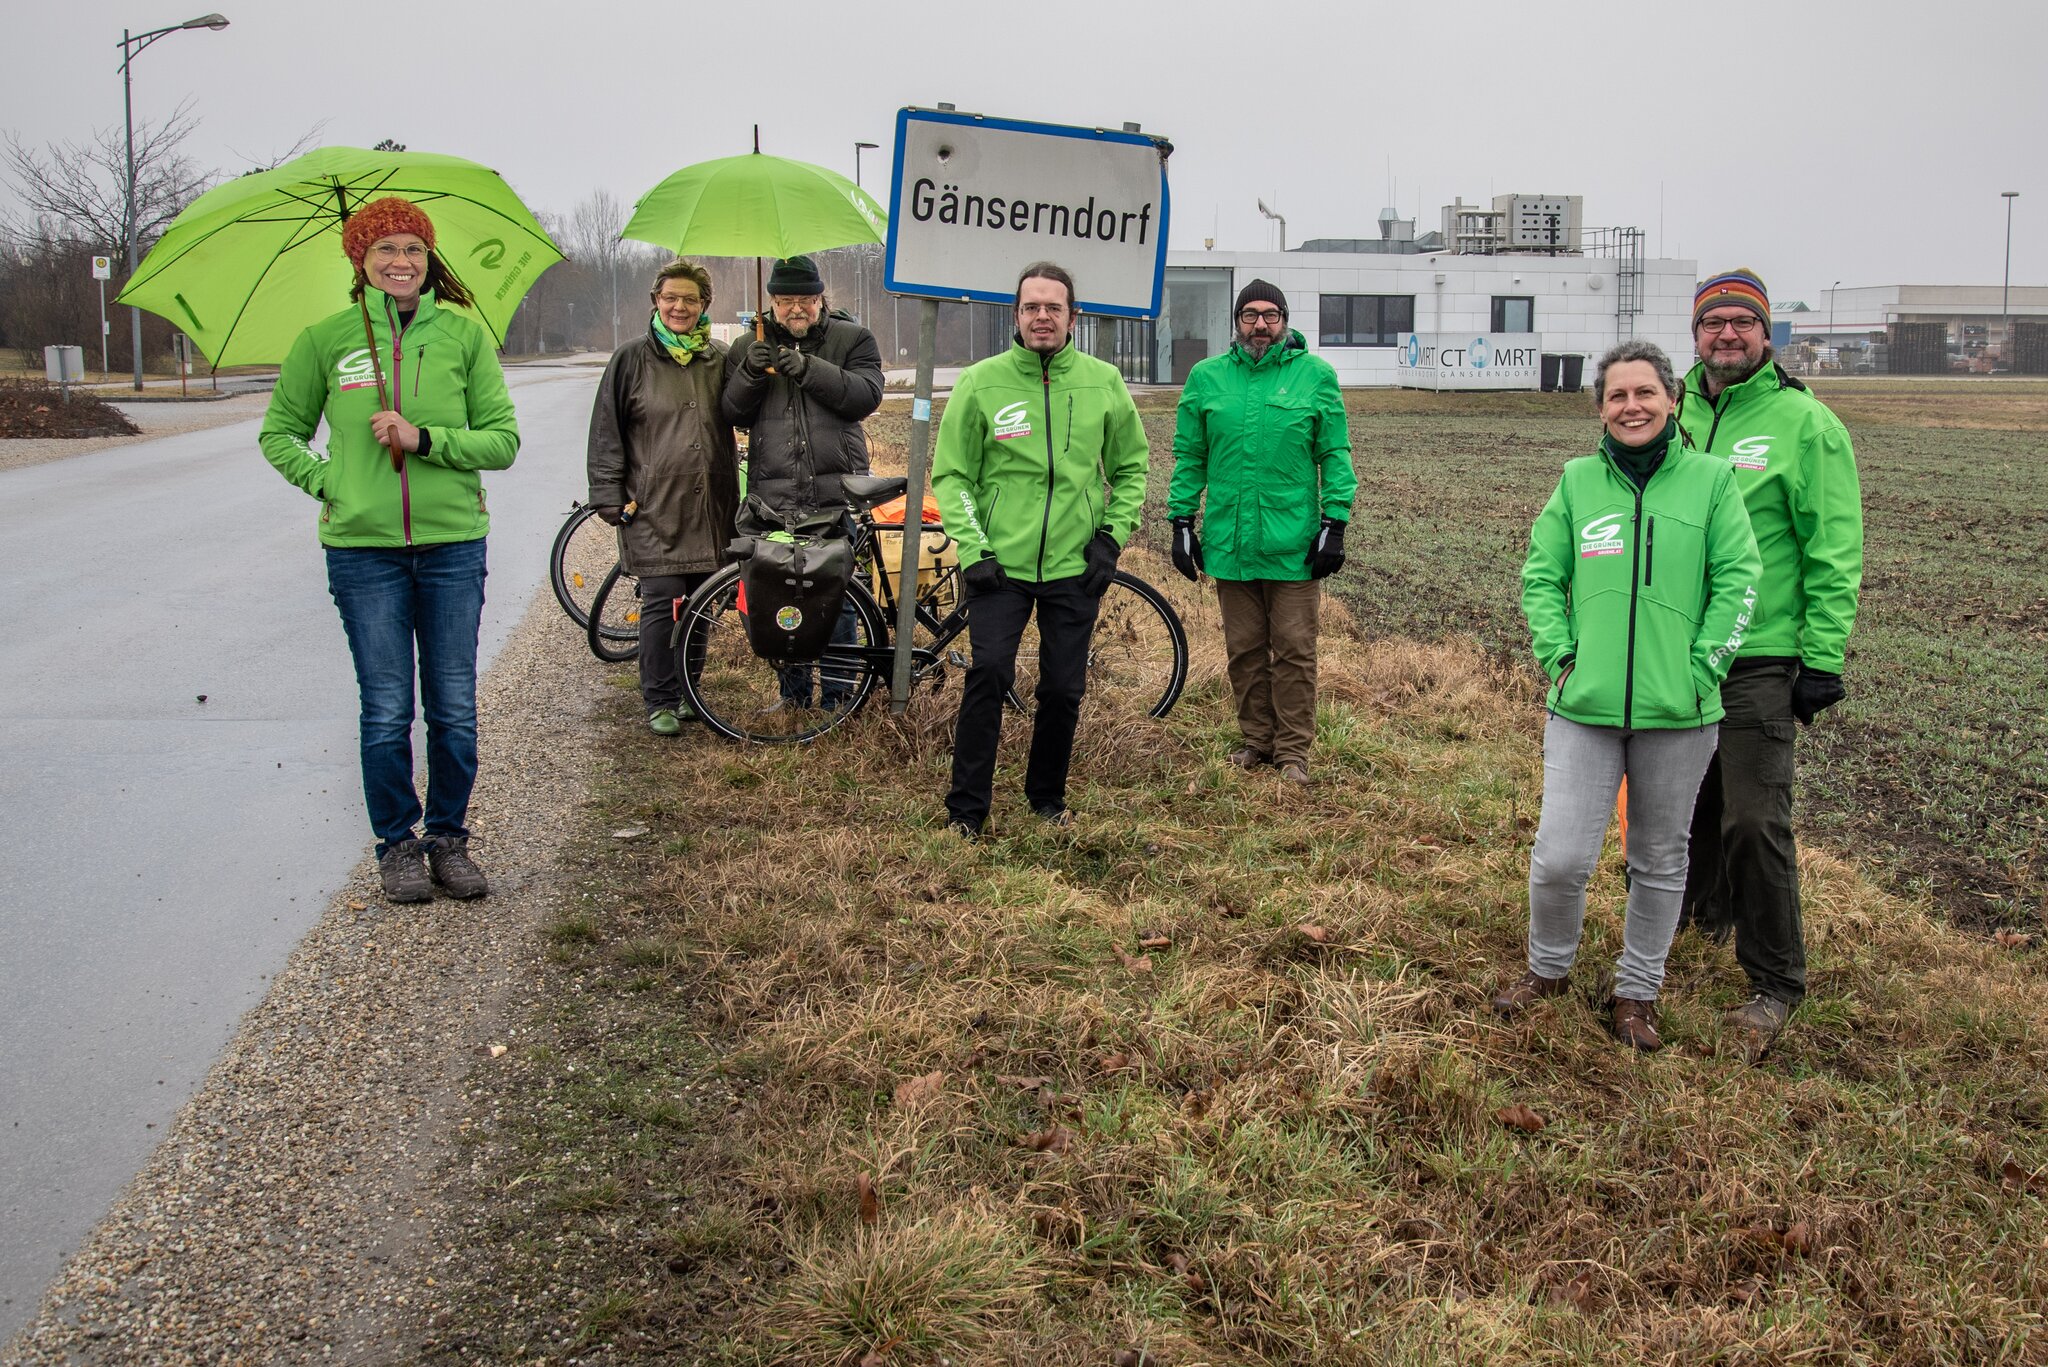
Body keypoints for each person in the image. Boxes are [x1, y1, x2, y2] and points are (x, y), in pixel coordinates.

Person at [1493, 340, 1760, 1052]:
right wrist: (1560, 657)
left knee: (1659, 859)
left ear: (1672, 400)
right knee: (1560, 856)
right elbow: (1540, 578)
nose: (1632, 405)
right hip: (1585, 706)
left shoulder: (1711, 481)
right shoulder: (1578, 482)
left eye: (1645, 392)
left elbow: (1739, 579)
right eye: (1617, 395)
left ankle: (1637, 993)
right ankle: (1547, 969)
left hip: (1682, 713)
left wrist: (1705, 667)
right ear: (1601, 408)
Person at [258, 196, 519, 903]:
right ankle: (397, 844)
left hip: (452, 548)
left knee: (454, 707)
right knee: (385, 708)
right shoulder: (326, 340)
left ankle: (448, 839)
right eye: (385, 251)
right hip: (363, 551)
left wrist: (424, 439)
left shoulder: (463, 340)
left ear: (429, 260)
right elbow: (278, 432)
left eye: (412, 249)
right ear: (360, 261)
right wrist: (331, 482)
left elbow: (502, 441)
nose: (401, 262)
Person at [1676, 269, 1864, 1060]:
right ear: (1695, 334)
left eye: (1741, 324)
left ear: (1766, 335)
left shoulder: (1804, 425)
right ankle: (1692, 923)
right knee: (1681, 811)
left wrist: (1820, 657)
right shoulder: (1665, 406)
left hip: (1757, 656)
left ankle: (1777, 979)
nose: (1726, 335)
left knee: (1753, 816)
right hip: (1675, 656)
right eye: (1713, 322)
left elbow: (1832, 549)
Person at [932, 262, 1149, 837]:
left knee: (1061, 687)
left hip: (1075, 563)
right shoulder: (981, 382)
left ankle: (1046, 797)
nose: (1042, 317)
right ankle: (966, 811)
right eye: (1032, 307)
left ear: (1072, 316)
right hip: (998, 563)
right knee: (990, 674)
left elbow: (1130, 468)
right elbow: (952, 475)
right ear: (1017, 315)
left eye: (1054, 307)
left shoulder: (1104, 382)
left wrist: (1112, 538)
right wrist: (973, 549)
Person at [1168, 279, 1355, 785]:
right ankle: (1257, 740)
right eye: (1250, 315)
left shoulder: (1315, 376)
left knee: (1294, 649)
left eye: (1270, 315)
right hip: (1230, 544)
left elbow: (1334, 454)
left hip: (1292, 543)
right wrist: (1181, 520)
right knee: (1245, 649)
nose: (1260, 325)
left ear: (1285, 320)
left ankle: (1293, 751)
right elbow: (1191, 456)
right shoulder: (1207, 378)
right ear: (1236, 322)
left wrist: (1334, 523)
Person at [719, 255, 884, 711]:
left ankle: (839, 697)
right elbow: (732, 413)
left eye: (806, 300)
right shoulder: (747, 346)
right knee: (780, 595)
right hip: (774, 498)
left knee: (837, 597)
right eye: (786, 300)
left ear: (820, 299)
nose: (797, 309)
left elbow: (864, 397)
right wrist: (752, 372)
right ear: (771, 302)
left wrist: (807, 368)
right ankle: (793, 698)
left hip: (835, 495)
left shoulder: (853, 338)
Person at [587, 260, 740, 736]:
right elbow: (606, 431)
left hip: (710, 502)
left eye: (690, 300)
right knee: (663, 599)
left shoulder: (718, 358)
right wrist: (607, 493)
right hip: (653, 505)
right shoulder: (631, 360)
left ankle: (688, 689)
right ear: (655, 301)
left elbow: (748, 411)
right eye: (671, 297)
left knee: (699, 602)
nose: (679, 306)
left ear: (704, 306)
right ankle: (660, 698)